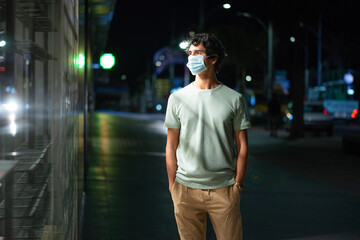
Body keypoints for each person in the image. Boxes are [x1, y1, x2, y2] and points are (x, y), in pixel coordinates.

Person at [164, 33, 251, 240]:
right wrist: (172, 185)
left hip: (224, 189)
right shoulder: (177, 98)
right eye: (190, 53)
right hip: (185, 190)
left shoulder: (234, 99)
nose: (191, 58)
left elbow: (243, 146)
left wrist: (237, 185)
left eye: (198, 53)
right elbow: (170, 145)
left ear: (213, 59)